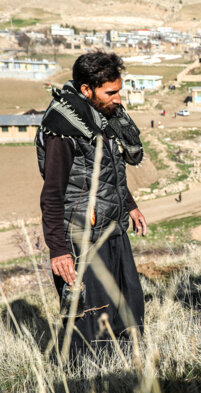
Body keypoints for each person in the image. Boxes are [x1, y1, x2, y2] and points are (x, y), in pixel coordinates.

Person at [35, 51, 147, 354]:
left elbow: (108, 170)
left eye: (119, 90)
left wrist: (130, 204)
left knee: (127, 306)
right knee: (89, 321)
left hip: (112, 227)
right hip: (82, 237)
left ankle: (125, 373)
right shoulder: (63, 126)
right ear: (86, 89)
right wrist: (59, 249)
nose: (118, 98)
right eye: (110, 92)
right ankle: (85, 384)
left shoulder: (98, 115)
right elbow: (53, 193)